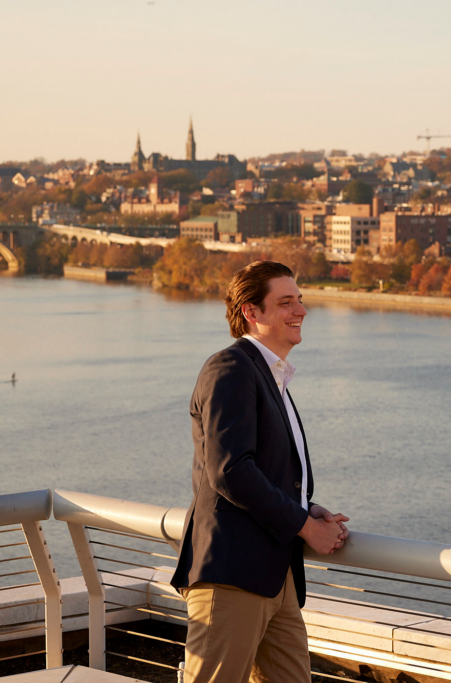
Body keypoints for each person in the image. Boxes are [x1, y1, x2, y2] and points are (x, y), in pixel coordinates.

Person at [170, 260, 349, 682]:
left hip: (275, 575)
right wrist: (304, 524)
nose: (301, 310)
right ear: (252, 312)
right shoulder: (230, 369)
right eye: (285, 302)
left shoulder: (270, 376)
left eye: (300, 300)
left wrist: (309, 506)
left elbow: (263, 469)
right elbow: (230, 470)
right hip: (234, 575)